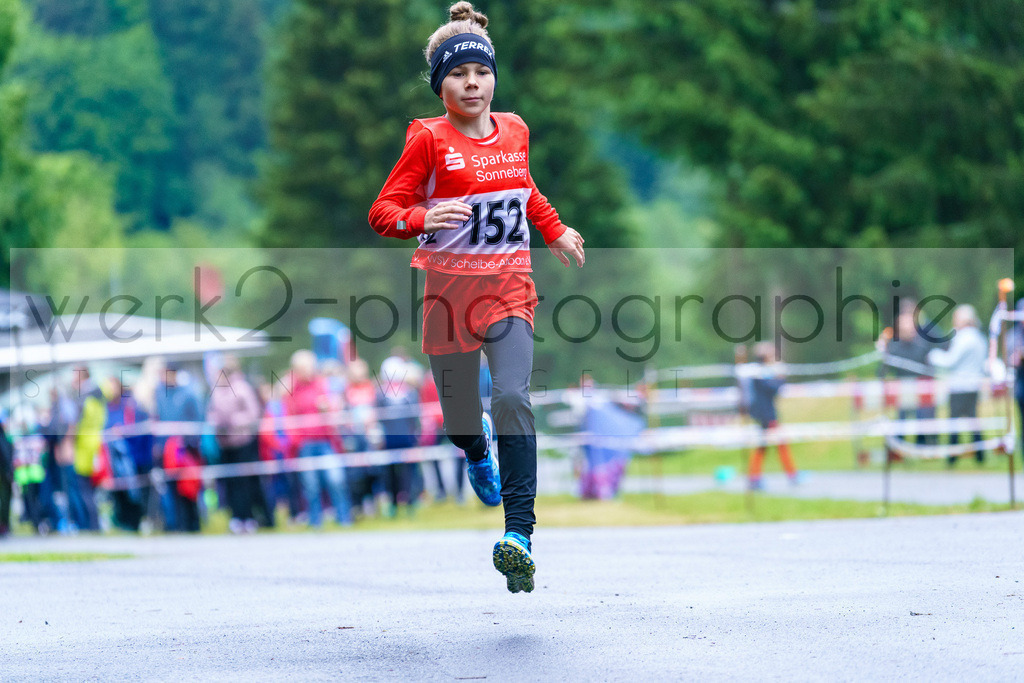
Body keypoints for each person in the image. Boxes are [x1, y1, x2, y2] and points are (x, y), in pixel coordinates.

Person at [368, 2, 585, 593]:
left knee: (514, 396)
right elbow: (382, 211)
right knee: (462, 421)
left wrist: (555, 228)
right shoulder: (427, 141)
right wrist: (421, 215)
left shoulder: (515, 129)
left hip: (511, 292)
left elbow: (523, 185)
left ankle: (520, 534)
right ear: (441, 84)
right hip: (447, 302)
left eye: (481, 73)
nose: (472, 83)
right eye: (459, 75)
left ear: (493, 77)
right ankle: (475, 450)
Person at [283, 350, 352, 528]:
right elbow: (289, 417)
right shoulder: (291, 389)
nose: (308, 370)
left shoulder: (323, 384)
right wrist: (296, 440)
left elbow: (335, 407)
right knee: (310, 486)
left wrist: (328, 408)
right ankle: (315, 521)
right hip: (305, 444)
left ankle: (344, 518)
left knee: (336, 480)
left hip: (326, 441)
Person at [207, 355, 267, 533]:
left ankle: (249, 517)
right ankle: (235, 517)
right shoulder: (217, 390)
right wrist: (217, 423)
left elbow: (254, 413)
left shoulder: (242, 388)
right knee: (230, 482)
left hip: (243, 442)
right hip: (225, 444)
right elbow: (212, 412)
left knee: (245, 482)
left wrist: (234, 422)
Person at [928, 305, 988, 467]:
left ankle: (952, 457)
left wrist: (933, 356)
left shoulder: (964, 338)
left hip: (960, 386)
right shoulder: (980, 338)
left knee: (954, 423)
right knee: (973, 420)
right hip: (973, 385)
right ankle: (980, 455)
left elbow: (950, 361)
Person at [746, 342, 801, 491]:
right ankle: (791, 474)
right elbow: (773, 388)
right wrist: (780, 376)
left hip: (764, 413)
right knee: (779, 444)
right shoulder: (759, 373)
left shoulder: (761, 372)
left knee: (762, 446)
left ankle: (754, 477)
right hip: (767, 414)